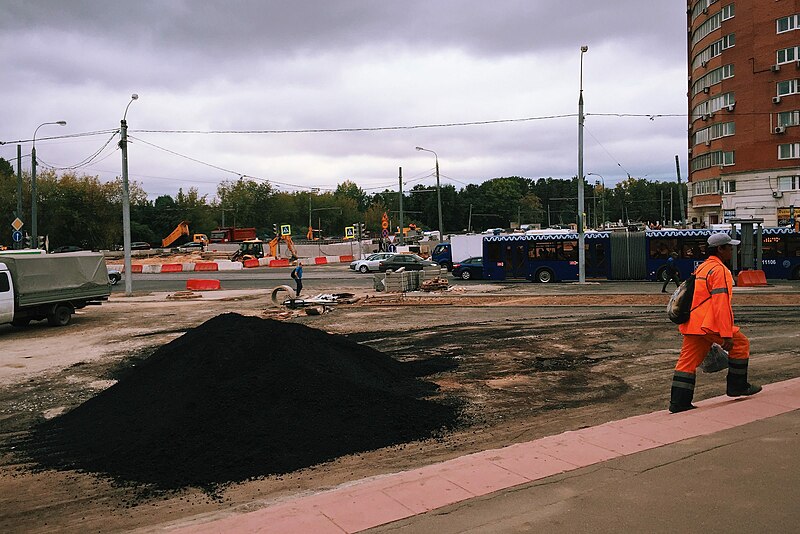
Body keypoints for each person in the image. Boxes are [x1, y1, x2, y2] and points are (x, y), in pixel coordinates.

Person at [669, 233, 762, 413]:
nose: (732, 251)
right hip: (708, 323)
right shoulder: (720, 271)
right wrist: (726, 334)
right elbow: (721, 304)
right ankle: (737, 387)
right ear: (720, 249)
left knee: (686, 362)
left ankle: (678, 403)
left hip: (693, 323)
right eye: (729, 247)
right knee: (741, 344)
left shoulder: (702, 268)